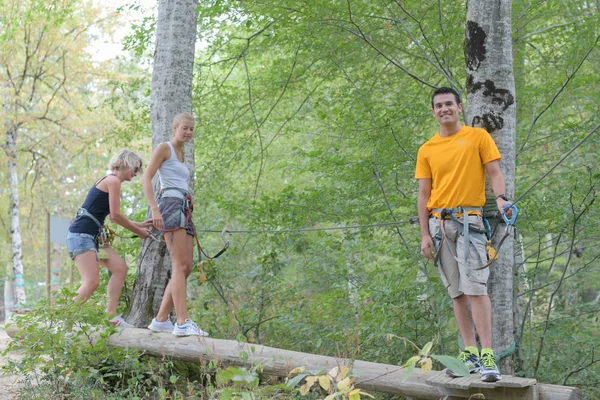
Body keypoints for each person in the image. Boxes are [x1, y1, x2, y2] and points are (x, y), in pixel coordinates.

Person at [415, 87, 512, 382]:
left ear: (459, 107)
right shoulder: (427, 149)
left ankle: (487, 357)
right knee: (457, 292)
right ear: (433, 112)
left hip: (470, 222)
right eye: (438, 106)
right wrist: (424, 235)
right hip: (439, 225)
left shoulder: (477, 137)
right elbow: (423, 194)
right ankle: (469, 354)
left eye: (449, 104)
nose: (444, 109)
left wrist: (502, 199)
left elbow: (494, 172)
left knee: (477, 289)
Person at [67, 149, 152, 327]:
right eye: (135, 169)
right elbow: (115, 216)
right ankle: (65, 321)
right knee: (92, 281)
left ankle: (111, 316)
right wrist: (138, 232)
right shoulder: (113, 180)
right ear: (126, 163)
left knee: (120, 268)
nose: (135, 174)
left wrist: (140, 225)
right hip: (82, 235)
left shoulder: (110, 180)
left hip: (91, 236)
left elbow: (114, 216)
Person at [144, 112, 209, 337]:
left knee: (187, 266)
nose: (189, 132)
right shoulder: (165, 148)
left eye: (191, 129)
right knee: (178, 264)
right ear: (175, 128)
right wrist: (154, 209)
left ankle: (162, 319)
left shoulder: (182, 154)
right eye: (185, 128)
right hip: (170, 204)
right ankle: (182, 321)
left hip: (184, 206)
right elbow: (147, 177)